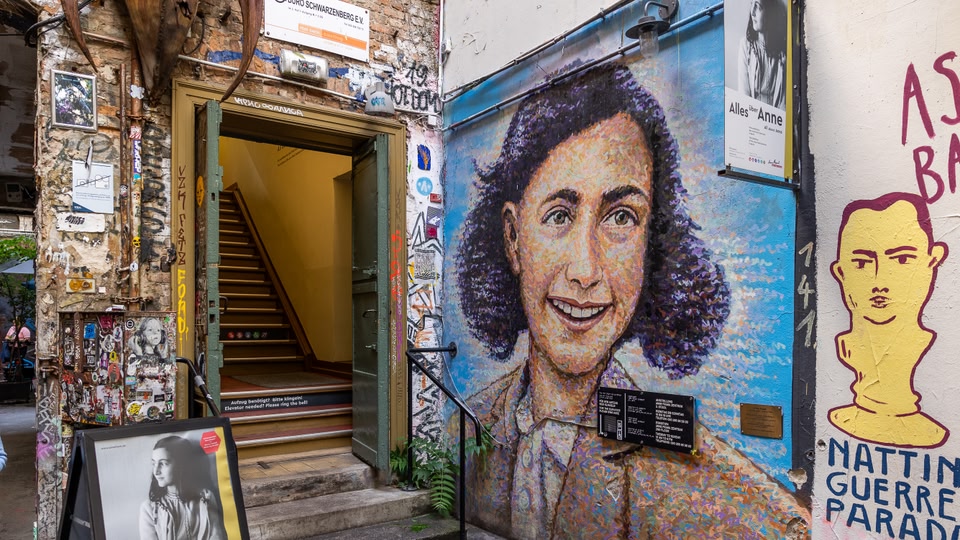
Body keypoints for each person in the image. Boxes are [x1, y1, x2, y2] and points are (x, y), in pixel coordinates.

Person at [454, 63, 808, 538]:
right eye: (559, 215)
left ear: (651, 245)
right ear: (514, 238)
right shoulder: (472, 421)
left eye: (621, 218)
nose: (585, 270)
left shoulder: (729, 506)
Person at [829, 193, 948, 447]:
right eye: (861, 263)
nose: (879, 281)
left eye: (903, 259)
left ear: (932, 261)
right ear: (841, 272)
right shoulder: (847, 346)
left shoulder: (938, 347)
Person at [139, 436, 227, 540]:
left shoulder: (206, 498)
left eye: (163, 463)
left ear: (181, 464)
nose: (156, 471)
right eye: (154, 464)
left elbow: (217, 536)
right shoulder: (149, 509)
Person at [737, 0, 787, 110]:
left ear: (770, 12)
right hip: (751, 122)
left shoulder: (783, 53)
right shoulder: (745, 46)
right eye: (752, 4)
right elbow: (743, 96)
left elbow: (784, 104)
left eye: (758, 6)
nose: (752, 12)